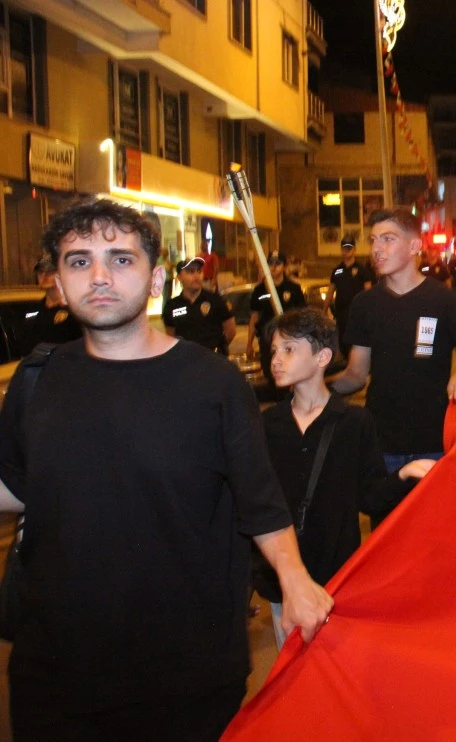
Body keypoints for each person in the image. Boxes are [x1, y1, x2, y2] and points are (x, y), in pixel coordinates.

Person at [0, 199, 331, 740]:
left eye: (121, 260)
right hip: (56, 671)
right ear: (57, 282)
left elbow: (261, 502)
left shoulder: (215, 384)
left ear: (156, 280)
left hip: (185, 673)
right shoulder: (37, 379)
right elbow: (19, 487)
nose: (99, 276)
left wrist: (295, 581)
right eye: (79, 261)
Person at [260, 308, 432, 647]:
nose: (276, 360)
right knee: (291, 666)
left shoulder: (354, 422)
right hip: (283, 579)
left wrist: (404, 474)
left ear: (322, 357)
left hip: (337, 574)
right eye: (274, 350)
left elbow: (370, 497)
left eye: (289, 349)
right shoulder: (267, 425)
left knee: (333, 664)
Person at [330, 207, 456, 523]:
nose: (377, 248)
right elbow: (356, 375)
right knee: (386, 533)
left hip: (435, 442)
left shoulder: (445, 300)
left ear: (415, 246)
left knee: (434, 534)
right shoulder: (365, 305)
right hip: (382, 444)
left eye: (388, 239)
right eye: (373, 240)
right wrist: (315, 386)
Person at [162, 256, 235, 354]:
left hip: (213, 359)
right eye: (191, 272)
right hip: (186, 359)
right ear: (180, 277)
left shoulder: (215, 300)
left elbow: (230, 331)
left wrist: (218, 349)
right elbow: (171, 337)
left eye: (199, 271)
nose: (196, 276)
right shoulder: (172, 306)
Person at [247, 251, 307, 365]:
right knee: (268, 370)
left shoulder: (294, 289)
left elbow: (302, 316)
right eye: (271, 263)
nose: (274, 267)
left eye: (278, 263)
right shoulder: (260, 290)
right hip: (267, 340)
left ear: (284, 266)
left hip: (288, 339)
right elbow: (254, 317)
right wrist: (249, 343)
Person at [324, 236, 374, 357]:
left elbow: (368, 292)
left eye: (349, 248)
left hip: (357, 313)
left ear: (354, 250)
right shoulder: (337, 270)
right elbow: (330, 291)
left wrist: (368, 311)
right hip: (341, 314)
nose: (346, 251)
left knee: (355, 343)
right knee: (343, 342)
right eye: (344, 248)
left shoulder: (362, 270)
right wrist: (324, 310)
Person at [21, 257, 82, 355]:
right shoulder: (34, 309)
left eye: (50, 272)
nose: (44, 276)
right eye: (40, 272)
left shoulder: (75, 310)